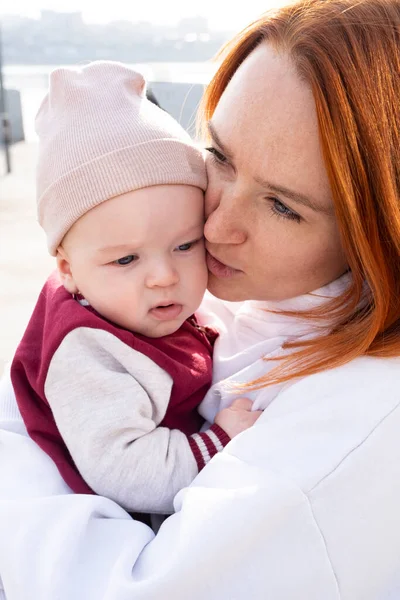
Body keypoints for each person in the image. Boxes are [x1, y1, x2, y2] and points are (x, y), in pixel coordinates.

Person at [1, 0, 400, 597]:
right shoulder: (250, 298)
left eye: (284, 206)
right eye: (218, 157)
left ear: (380, 230)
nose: (213, 229)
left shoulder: (352, 425)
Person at [10, 61, 260, 516]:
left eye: (185, 244)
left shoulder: (128, 304)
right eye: (126, 259)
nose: (164, 276)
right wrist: (216, 442)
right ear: (68, 270)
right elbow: (127, 470)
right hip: (126, 513)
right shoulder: (90, 354)